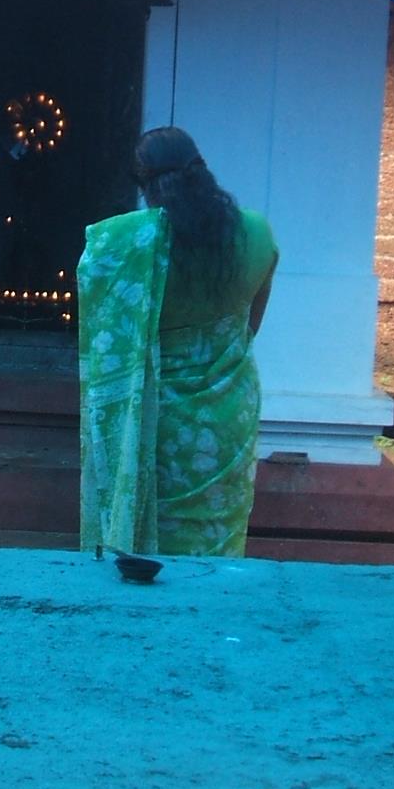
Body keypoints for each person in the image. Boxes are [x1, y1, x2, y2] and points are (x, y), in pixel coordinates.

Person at [78, 126, 279, 557]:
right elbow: (250, 327)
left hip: (158, 419)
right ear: (203, 169)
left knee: (155, 543)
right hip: (229, 414)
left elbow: (98, 303)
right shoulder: (257, 235)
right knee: (218, 541)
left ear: (146, 186)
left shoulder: (128, 243)